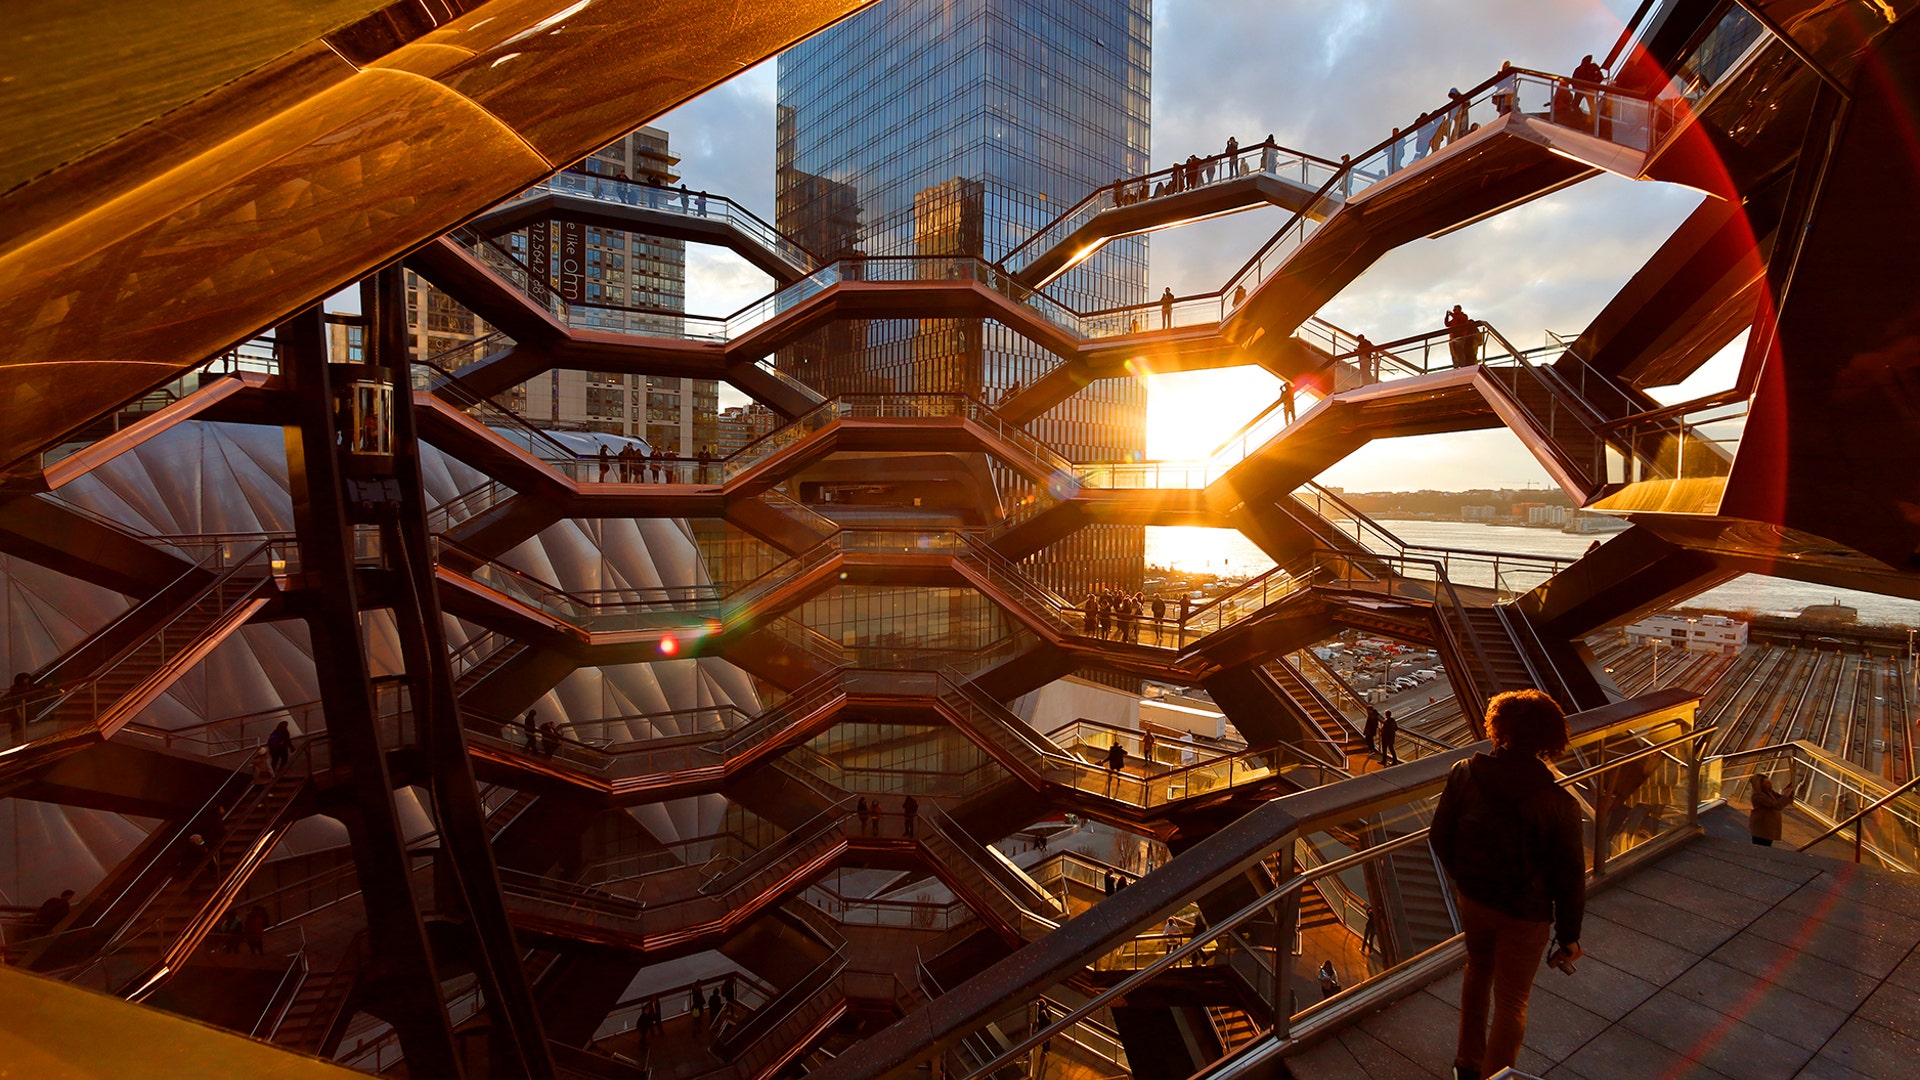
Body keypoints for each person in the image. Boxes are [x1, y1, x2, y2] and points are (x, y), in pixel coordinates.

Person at [1430, 689, 1585, 1080]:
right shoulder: (1559, 802)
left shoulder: (1464, 772)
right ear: (1550, 738)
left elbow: (1439, 836)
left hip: (1476, 898)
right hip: (1526, 912)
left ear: (1497, 728)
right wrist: (1569, 936)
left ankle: (1466, 1061)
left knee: (1477, 971)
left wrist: (1465, 877)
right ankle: (1495, 1075)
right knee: (1513, 1000)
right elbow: (1569, 878)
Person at [1748, 772, 1797, 846]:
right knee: (1761, 846)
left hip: (1768, 825)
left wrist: (1789, 793)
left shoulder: (1770, 792)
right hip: (1762, 825)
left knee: (1766, 845)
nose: (1770, 783)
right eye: (1767, 782)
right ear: (1760, 785)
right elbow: (1777, 805)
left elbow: (1782, 800)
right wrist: (1786, 795)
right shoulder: (1758, 796)